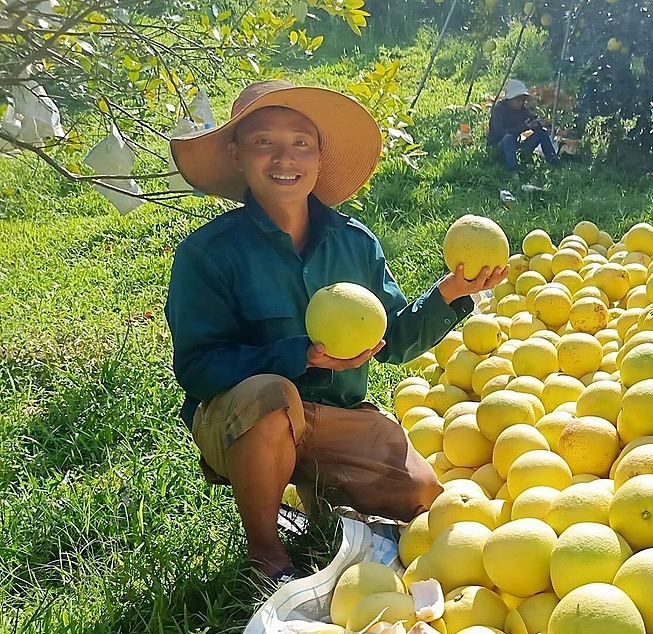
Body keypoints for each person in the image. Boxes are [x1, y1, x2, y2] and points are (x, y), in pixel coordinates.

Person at [165, 79, 506, 585]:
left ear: (320, 156)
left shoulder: (355, 244)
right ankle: (265, 550)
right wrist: (297, 355)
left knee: (421, 494)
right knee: (273, 396)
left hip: (335, 413)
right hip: (245, 418)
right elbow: (197, 366)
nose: (285, 156)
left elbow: (395, 338)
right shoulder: (207, 254)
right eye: (264, 141)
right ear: (236, 154)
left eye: (301, 141)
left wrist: (450, 293)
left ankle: (318, 494)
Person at [486, 78, 560, 176]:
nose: (521, 102)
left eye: (523, 99)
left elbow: (532, 119)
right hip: (499, 146)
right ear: (510, 99)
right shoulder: (499, 110)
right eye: (518, 99)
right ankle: (514, 170)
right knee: (508, 138)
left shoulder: (522, 110)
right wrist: (523, 127)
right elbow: (498, 133)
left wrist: (537, 124)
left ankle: (553, 159)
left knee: (541, 133)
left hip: (515, 146)